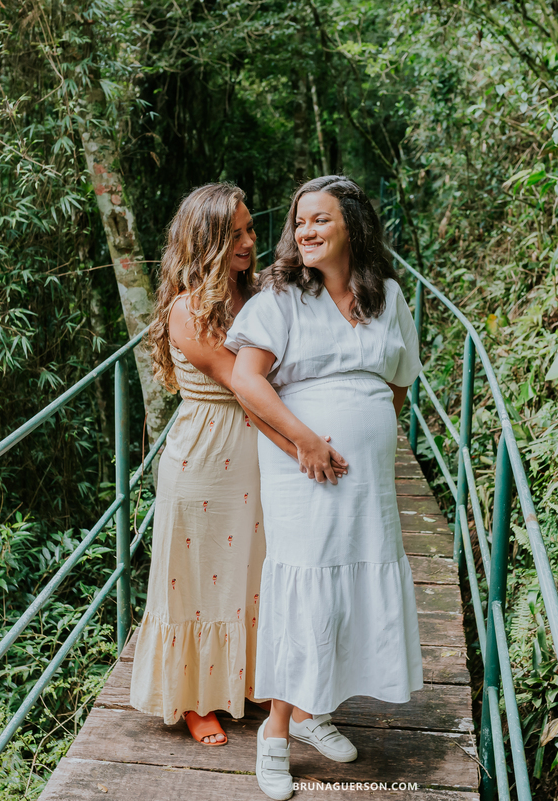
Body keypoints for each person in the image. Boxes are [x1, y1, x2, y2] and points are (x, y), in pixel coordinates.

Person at [226, 176, 423, 799]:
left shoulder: (388, 296)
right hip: (301, 467)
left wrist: (371, 434)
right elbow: (248, 382)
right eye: (300, 221)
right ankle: (276, 734)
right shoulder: (280, 296)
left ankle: (318, 713)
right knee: (304, 586)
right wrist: (306, 442)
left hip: (367, 476)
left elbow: (398, 385)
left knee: (347, 587)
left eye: (321, 220)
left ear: (353, 226)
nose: (306, 231)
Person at [128, 183, 346, 747]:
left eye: (250, 230)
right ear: (205, 241)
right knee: (198, 577)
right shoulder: (186, 310)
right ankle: (197, 699)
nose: (250, 242)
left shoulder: (256, 295)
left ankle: (251, 677)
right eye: (236, 234)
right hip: (206, 454)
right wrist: (304, 445)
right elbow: (243, 385)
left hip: (255, 449)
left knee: (254, 568)